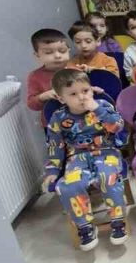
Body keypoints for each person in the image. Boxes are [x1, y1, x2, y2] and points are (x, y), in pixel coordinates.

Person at [42, 69, 129, 250]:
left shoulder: (102, 105)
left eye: (85, 91)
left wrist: (97, 110)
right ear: (61, 98)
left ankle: (117, 220)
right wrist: (52, 170)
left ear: (91, 89)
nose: (82, 97)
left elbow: (117, 126)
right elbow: (55, 145)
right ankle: (85, 226)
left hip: (106, 152)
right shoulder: (58, 117)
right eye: (73, 94)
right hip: (77, 157)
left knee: (109, 178)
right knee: (69, 185)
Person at [27, 29, 72, 126]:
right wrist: (43, 96)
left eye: (62, 51)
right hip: (53, 124)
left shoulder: (77, 70)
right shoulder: (35, 76)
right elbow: (31, 104)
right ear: (37, 55)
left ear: (69, 50)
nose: (57, 56)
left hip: (82, 121)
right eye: (48, 52)